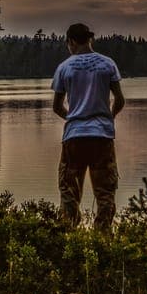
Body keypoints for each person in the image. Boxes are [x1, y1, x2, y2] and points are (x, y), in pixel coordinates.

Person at [51, 23, 125, 231]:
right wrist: (109, 118)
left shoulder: (64, 67)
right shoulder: (107, 64)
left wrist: (73, 118)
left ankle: (70, 234)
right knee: (105, 192)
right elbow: (119, 100)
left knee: (69, 190)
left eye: (68, 43)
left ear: (72, 41)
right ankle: (103, 236)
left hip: (74, 137)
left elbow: (57, 106)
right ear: (89, 39)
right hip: (102, 136)